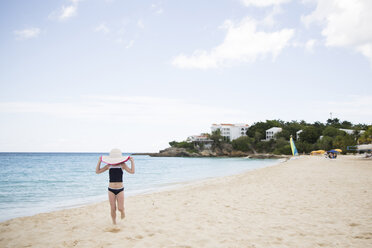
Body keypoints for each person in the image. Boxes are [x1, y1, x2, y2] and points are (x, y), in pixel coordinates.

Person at [95, 148, 135, 224]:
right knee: (113, 208)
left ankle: (123, 211)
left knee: (120, 208)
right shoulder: (108, 166)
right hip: (111, 189)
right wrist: (99, 161)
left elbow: (132, 172)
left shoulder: (122, 165)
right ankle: (114, 223)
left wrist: (132, 162)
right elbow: (97, 171)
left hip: (120, 189)